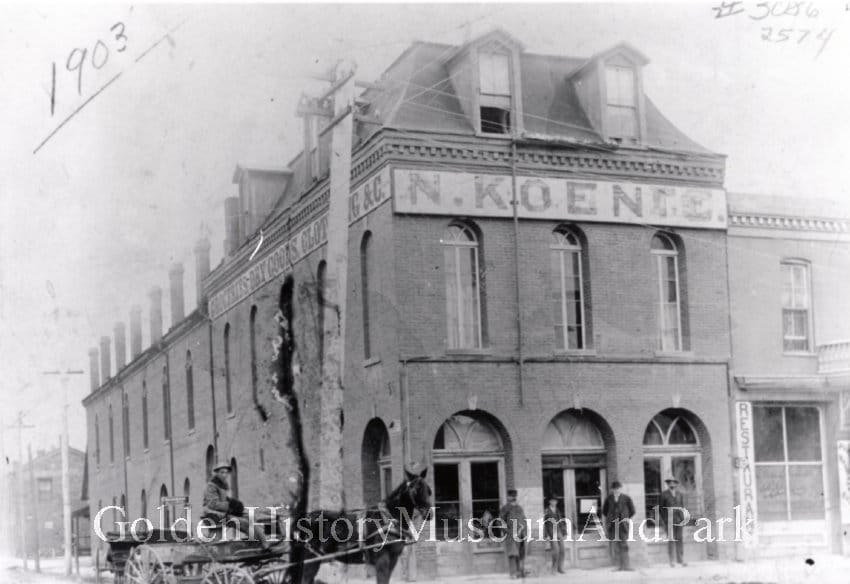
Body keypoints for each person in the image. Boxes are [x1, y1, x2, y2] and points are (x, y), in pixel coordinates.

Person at [202, 461, 271, 550]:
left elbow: (224, 499)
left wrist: (235, 505)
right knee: (244, 523)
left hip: (223, 513)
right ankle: (260, 544)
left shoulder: (223, 484)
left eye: (226, 472)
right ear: (217, 473)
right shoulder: (211, 486)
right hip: (213, 515)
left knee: (250, 516)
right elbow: (213, 504)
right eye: (222, 472)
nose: (225, 475)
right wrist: (230, 505)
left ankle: (260, 541)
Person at [601, 481, 635, 571]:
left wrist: (625, 517)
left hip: (623, 525)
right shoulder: (609, 499)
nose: (616, 490)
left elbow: (632, 511)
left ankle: (626, 566)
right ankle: (619, 566)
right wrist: (611, 518)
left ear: (621, 488)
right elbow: (604, 511)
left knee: (624, 545)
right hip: (613, 525)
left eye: (618, 488)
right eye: (615, 489)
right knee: (616, 545)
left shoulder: (626, 498)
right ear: (612, 489)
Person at [499, 489, 527, 579]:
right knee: (512, 553)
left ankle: (519, 572)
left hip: (520, 534)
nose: (512, 498)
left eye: (514, 496)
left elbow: (524, 519)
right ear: (508, 497)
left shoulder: (519, 508)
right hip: (511, 534)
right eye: (511, 496)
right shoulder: (505, 508)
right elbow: (500, 522)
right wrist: (507, 531)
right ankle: (513, 573)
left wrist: (524, 530)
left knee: (520, 553)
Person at [659, 477, 687, 567]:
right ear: (667, 484)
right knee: (671, 540)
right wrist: (665, 520)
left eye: (673, 482)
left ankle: (681, 559)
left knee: (679, 539)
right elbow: (661, 509)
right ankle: (672, 560)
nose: (672, 484)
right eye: (670, 483)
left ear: (676, 484)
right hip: (669, 520)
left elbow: (682, 507)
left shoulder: (679, 494)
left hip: (679, 520)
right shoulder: (664, 495)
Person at [543, 498, 565, 574]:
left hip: (559, 532)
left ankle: (560, 568)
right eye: (552, 501)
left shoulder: (557, 510)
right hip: (551, 533)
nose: (554, 502)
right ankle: (553, 568)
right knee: (556, 551)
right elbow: (544, 523)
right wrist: (546, 535)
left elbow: (560, 521)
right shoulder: (547, 511)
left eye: (555, 501)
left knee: (562, 550)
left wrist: (564, 532)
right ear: (550, 501)